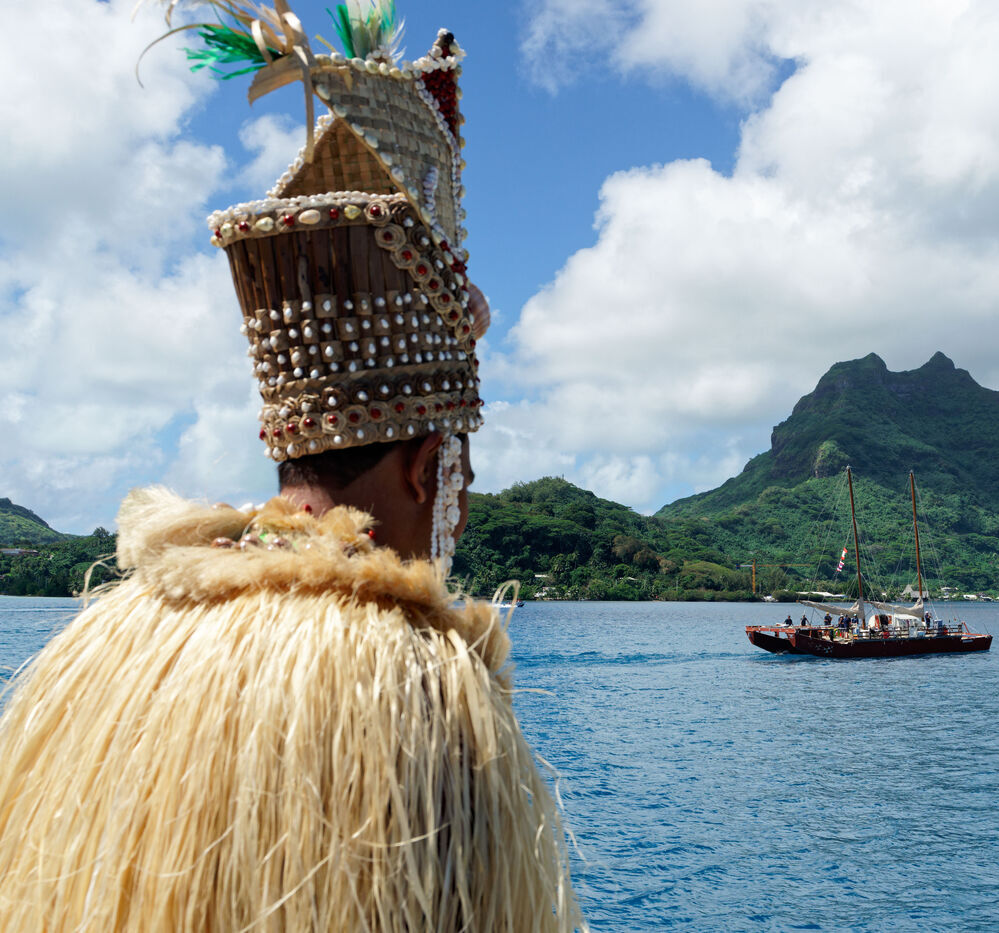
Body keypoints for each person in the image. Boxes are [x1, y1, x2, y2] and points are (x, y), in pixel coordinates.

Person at [0, 7, 581, 931]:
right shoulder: (426, 689)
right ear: (429, 468)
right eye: (461, 476)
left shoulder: (111, 639)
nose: (462, 507)